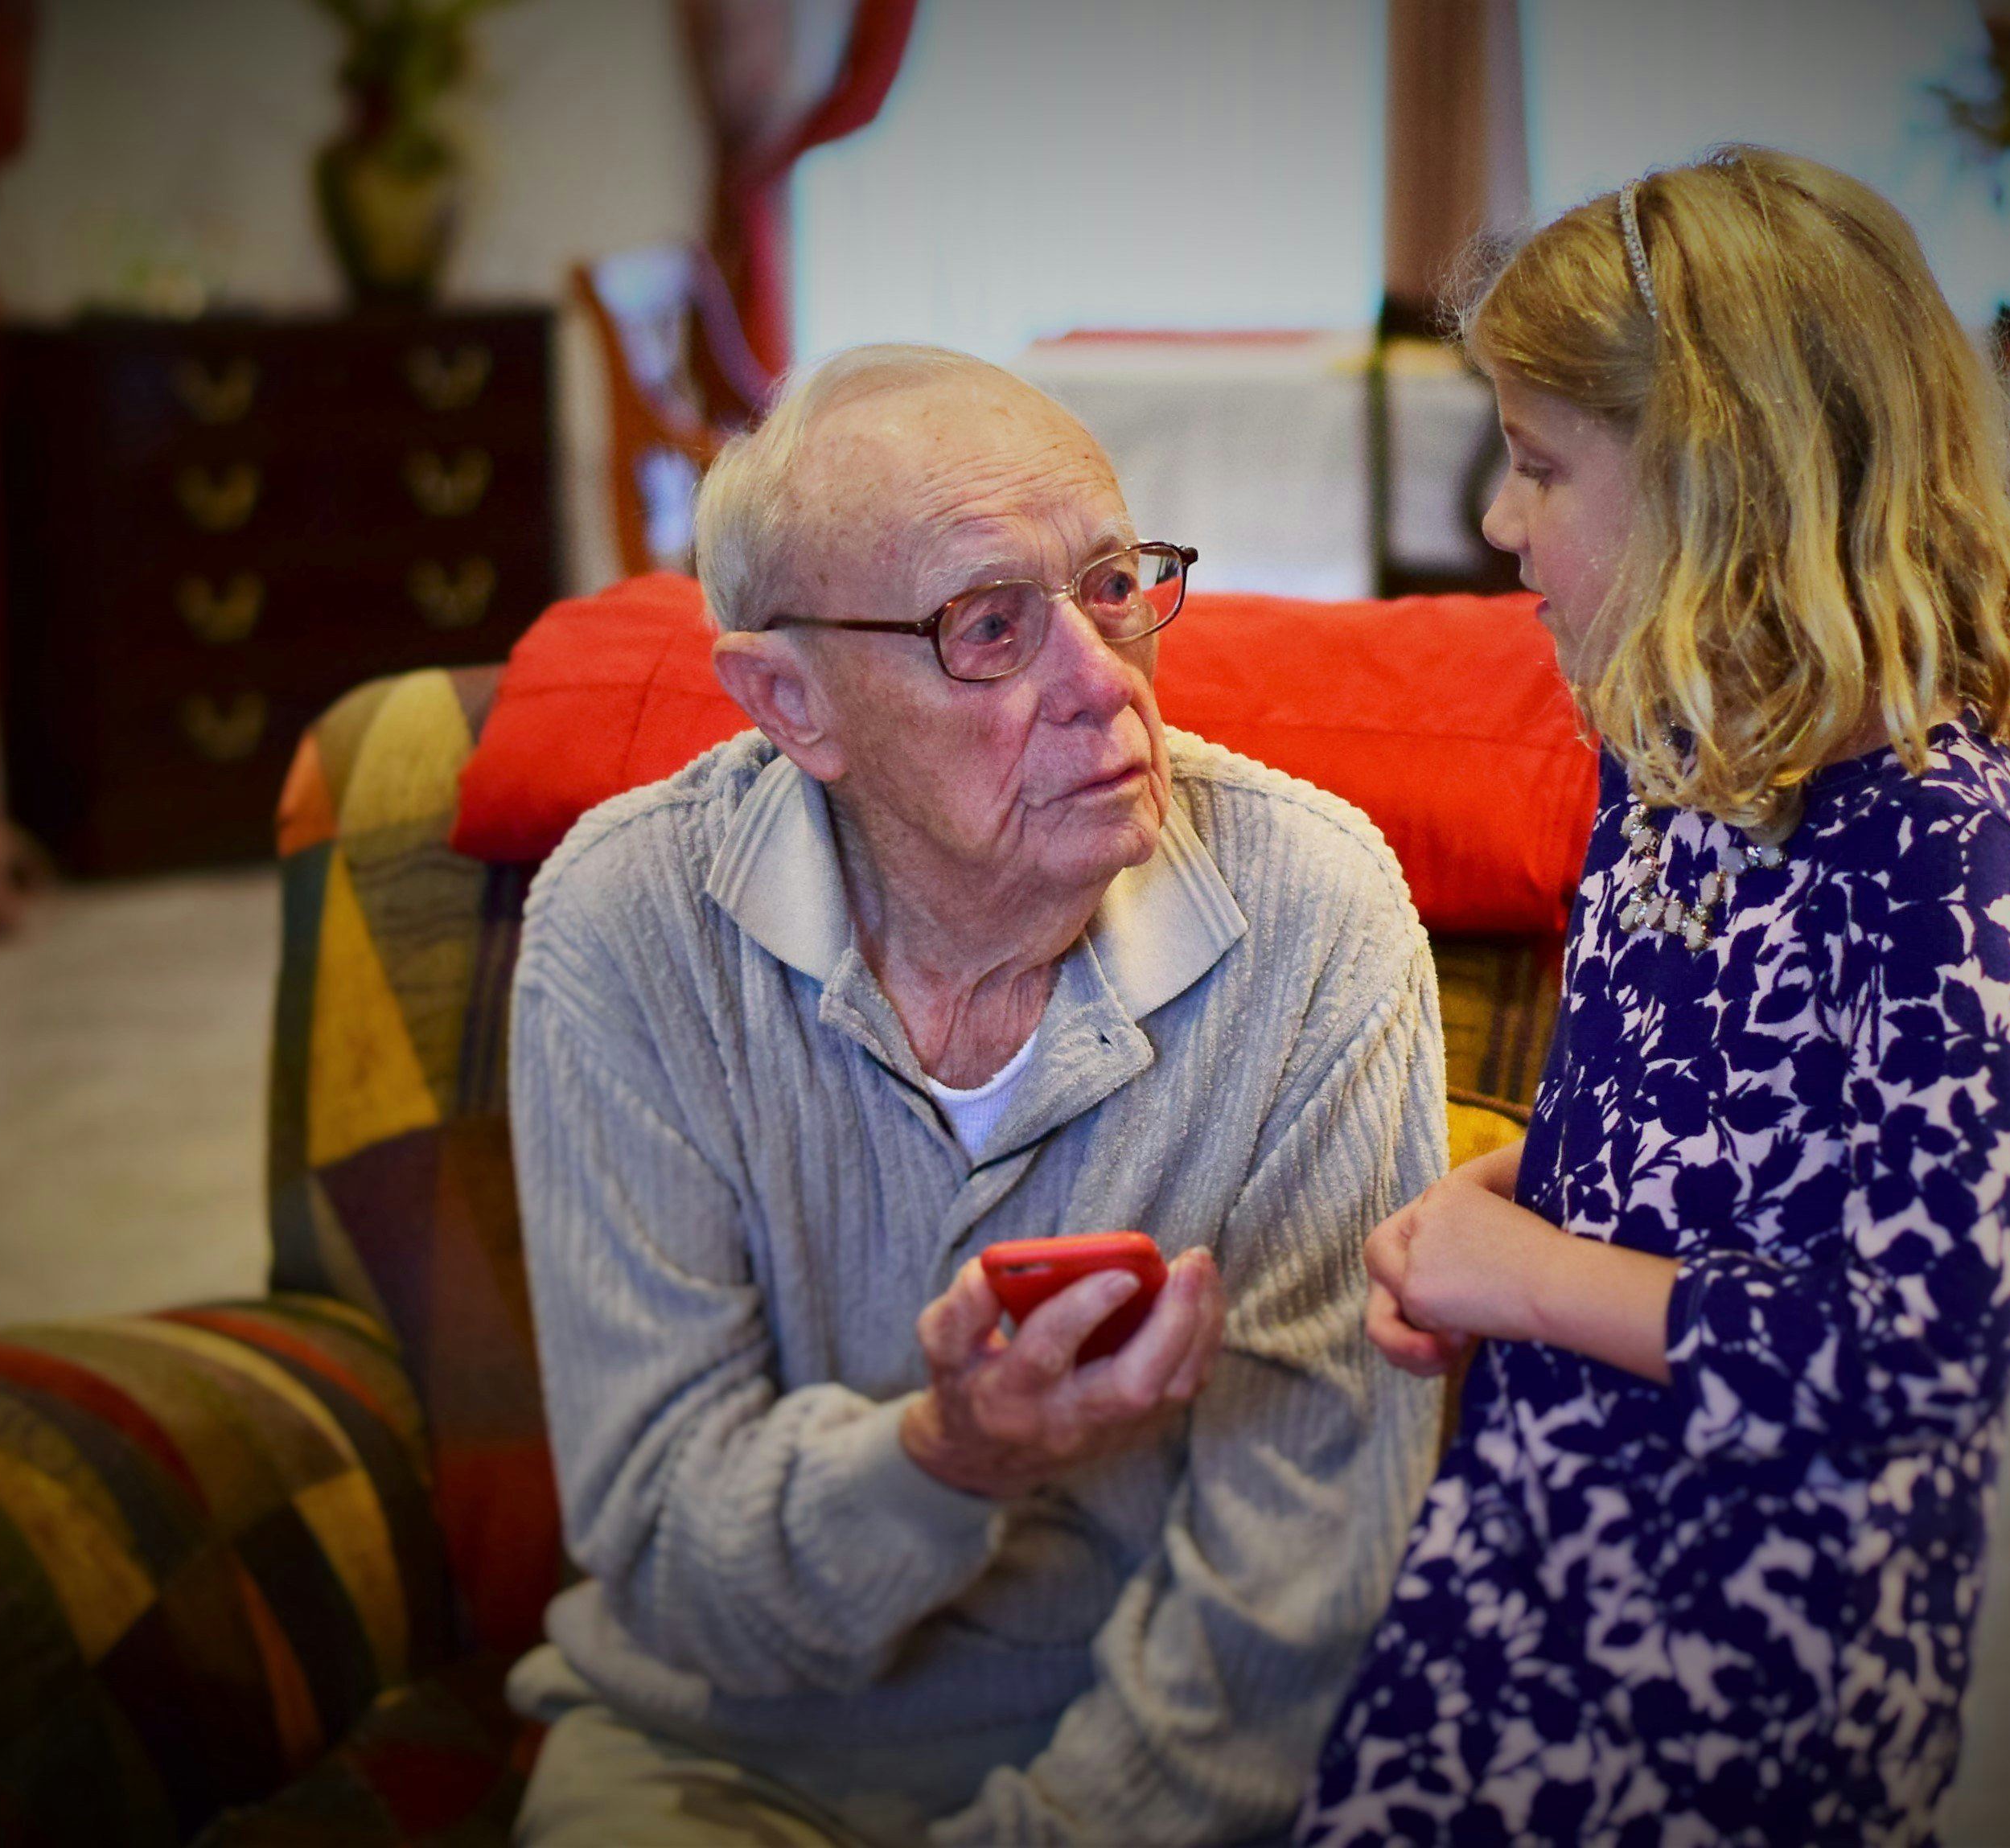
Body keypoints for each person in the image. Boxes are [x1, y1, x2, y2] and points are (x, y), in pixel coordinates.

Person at [507, 344, 1449, 1846]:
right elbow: (670, 1552)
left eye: (1116, 586)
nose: (1102, 680)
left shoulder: (1317, 916)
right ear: (791, 702)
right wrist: (945, 1462)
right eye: (991, 626)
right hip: (714, 1756)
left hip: (1145, 1777)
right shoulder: (626, 922)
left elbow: (1298, 1590)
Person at [1298, 146, 2010, 1847]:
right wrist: (1499, 1201)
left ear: (1716, 489)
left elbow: (1912, 1366)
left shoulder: (1935, 857)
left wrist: (1527, 1282)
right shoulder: (1656, 758)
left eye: (1536, 467)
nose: (1493, 520)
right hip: (1522, 1553)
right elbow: (1665, 1150)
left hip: (1749, 1660)